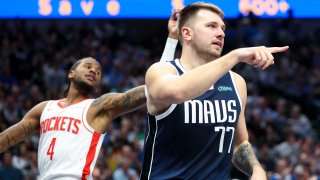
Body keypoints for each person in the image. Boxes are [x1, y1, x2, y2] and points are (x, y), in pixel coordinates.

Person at [0, 11, 180, 180]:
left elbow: (155, 86)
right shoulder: (44, 108)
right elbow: (8, 138)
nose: (94, 69)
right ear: (71, 73)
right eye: (88, 66)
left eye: (98, 70)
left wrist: (172, 39)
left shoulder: (100, 106)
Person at [141, 2, 289, 180]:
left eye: (222, 28)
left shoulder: (236, 82)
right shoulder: (160, 72)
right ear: (187, 33)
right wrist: (235, 56)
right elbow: (177, 92)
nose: (221, 33)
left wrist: (257, 170)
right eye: (211, 26)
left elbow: (239, 143)